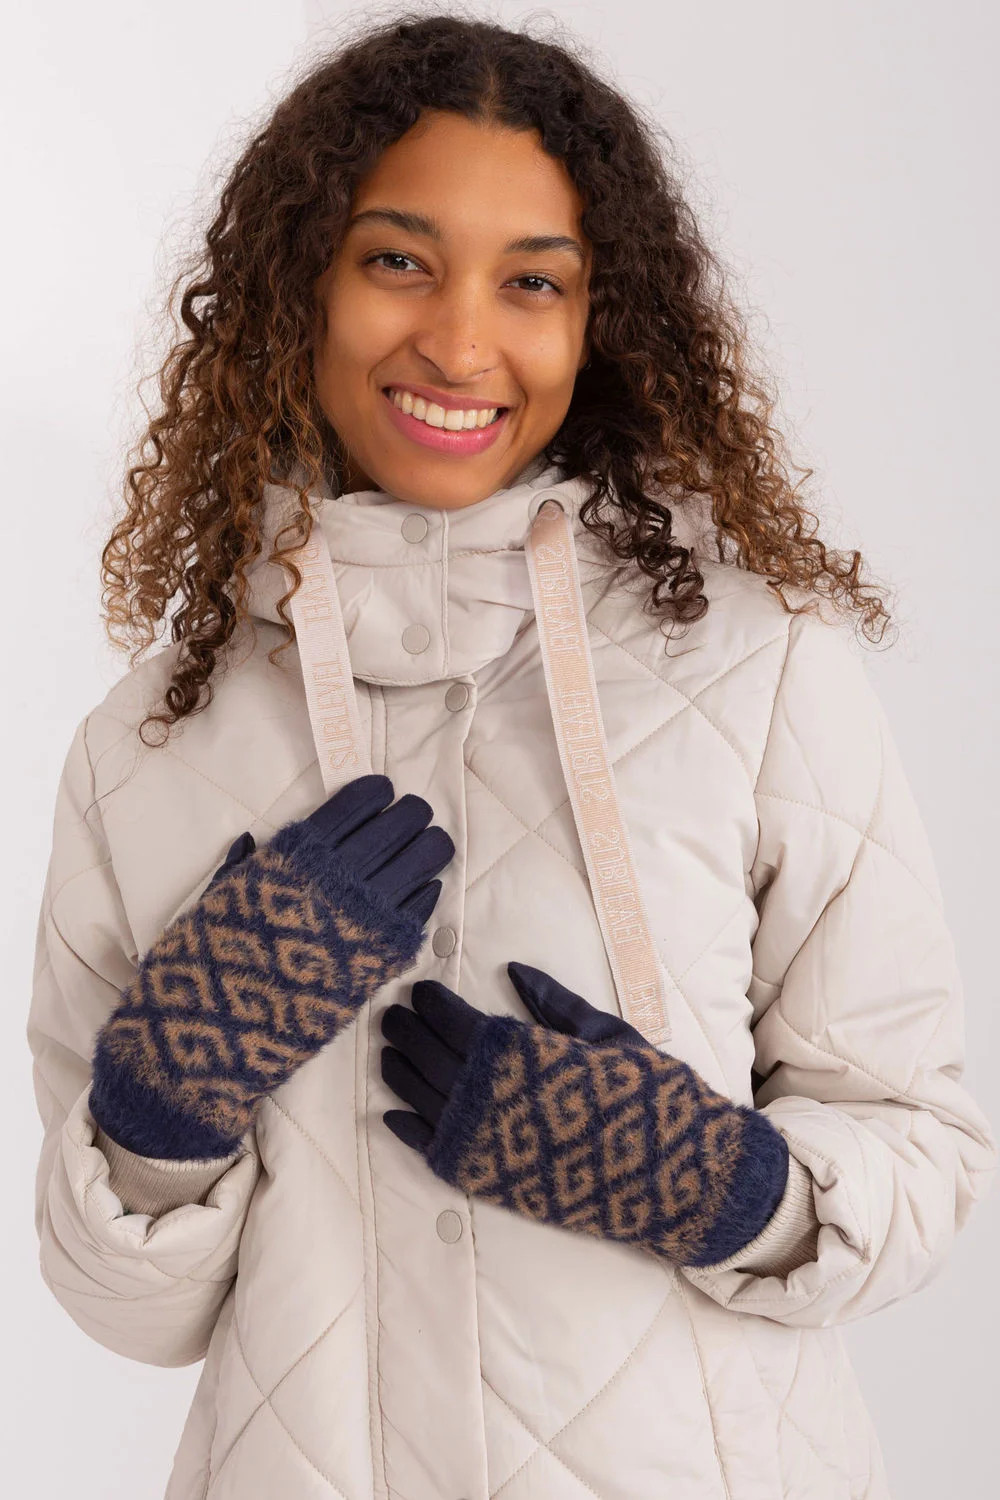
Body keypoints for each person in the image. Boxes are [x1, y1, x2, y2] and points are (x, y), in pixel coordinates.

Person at [26, 11, 996, 1500]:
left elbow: (927, 1153)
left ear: (598, 321)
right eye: (397, 261)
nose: (461, 342)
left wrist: (719, 1185)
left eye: (532, 280)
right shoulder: (152, 740)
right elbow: (128, 1310)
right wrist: (170, 1099)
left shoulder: (756, 669)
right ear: (303, 281)